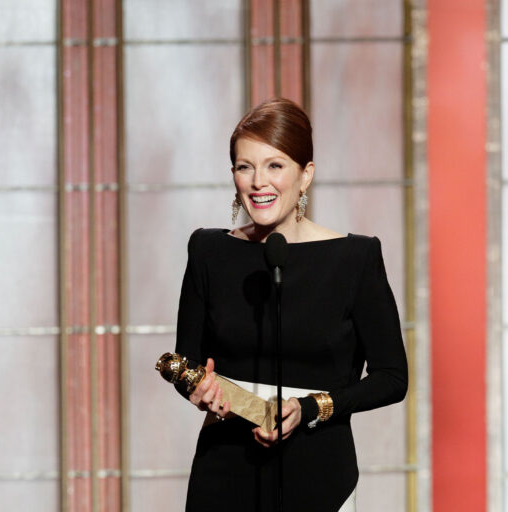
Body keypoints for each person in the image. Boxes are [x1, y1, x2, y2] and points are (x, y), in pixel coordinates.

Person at [173, 97, 408, 511]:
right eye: (245, 167)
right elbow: (188, 363)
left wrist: (309, 407)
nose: (259, 182)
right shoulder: (208, 251)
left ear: (305, 175)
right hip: (224, 473)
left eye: (275, 165)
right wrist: (199, 388)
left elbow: (392, 377)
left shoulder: (355, 259)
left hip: (319, 474)